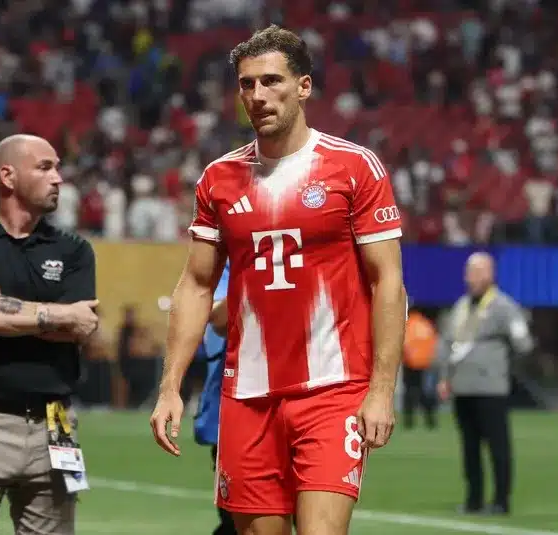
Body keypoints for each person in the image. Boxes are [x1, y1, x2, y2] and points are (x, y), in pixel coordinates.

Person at [149, 24, 406, 535]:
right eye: (247, 84)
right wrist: (170, 387)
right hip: (246, 395)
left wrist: (381, 390)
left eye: (271, 81)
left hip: (332, 390)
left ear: (303, 86)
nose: (258, 95)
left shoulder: (354, 167)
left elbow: (388, 283)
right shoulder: (218, 179)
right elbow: (196, 285)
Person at [0, 134, 100, 535]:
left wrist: (4, 308)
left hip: (58, 422)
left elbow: (81, 328)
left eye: (57, 167)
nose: (58, 177)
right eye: (45, 167)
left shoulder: (76, 250)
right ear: (7, 176)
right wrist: (59, 314)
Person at [437, 252, 533, 516]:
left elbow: (523, 343)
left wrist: (502, 365)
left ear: (490, 274)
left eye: (476, 272)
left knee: (498, 446)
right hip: (462, 387)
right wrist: (444, 376)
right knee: (470, 447)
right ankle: (473, 499)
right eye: (469, 272)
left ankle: (501, 500)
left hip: (491, 388)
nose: (470, 278)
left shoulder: (504, 306)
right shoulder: (460, 306)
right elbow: (448, 342)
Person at [193, 262, 237, 535]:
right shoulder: (231, 257)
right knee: (239, 524)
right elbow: (219, 318)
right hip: (235, 413)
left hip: (308, 406)